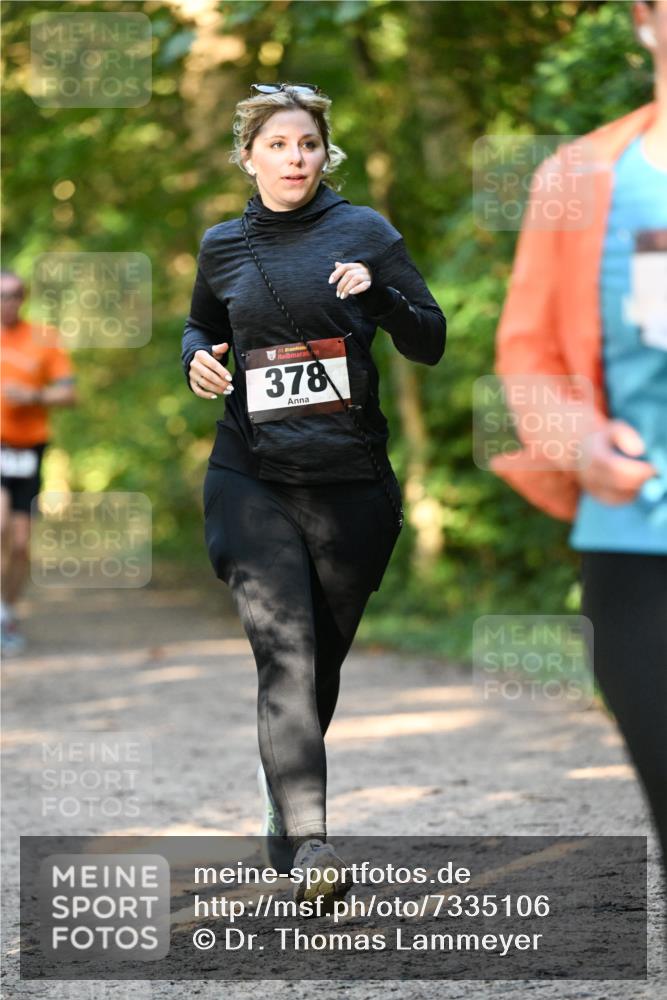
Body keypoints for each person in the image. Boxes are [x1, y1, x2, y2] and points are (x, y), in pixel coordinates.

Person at [181, 82, 446, 907]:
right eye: (278, 145)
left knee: (318, 664)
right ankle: (313, 843)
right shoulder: (222, 245)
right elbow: (200, 325)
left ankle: (282, 804)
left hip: (350, 487)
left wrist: (379, 291)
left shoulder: (364, 232)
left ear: (323, 153)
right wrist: (196, 357)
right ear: (249, 157)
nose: (295, 158)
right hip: (250, 475)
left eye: (307, 144)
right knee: (285, 654)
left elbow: (429, 338)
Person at [493, 0, 667, 887]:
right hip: (637, 542)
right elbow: (528, 362)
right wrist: (581, 441)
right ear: (644, 19)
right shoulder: (578, 176)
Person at [1, 270, 77, 655]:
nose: (8, 301)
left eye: (15, 294)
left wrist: (31, 396)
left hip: (29, 449)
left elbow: (69, 395)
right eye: (2, 295)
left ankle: (6, 613)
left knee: (19, 544)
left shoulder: (43, 339)